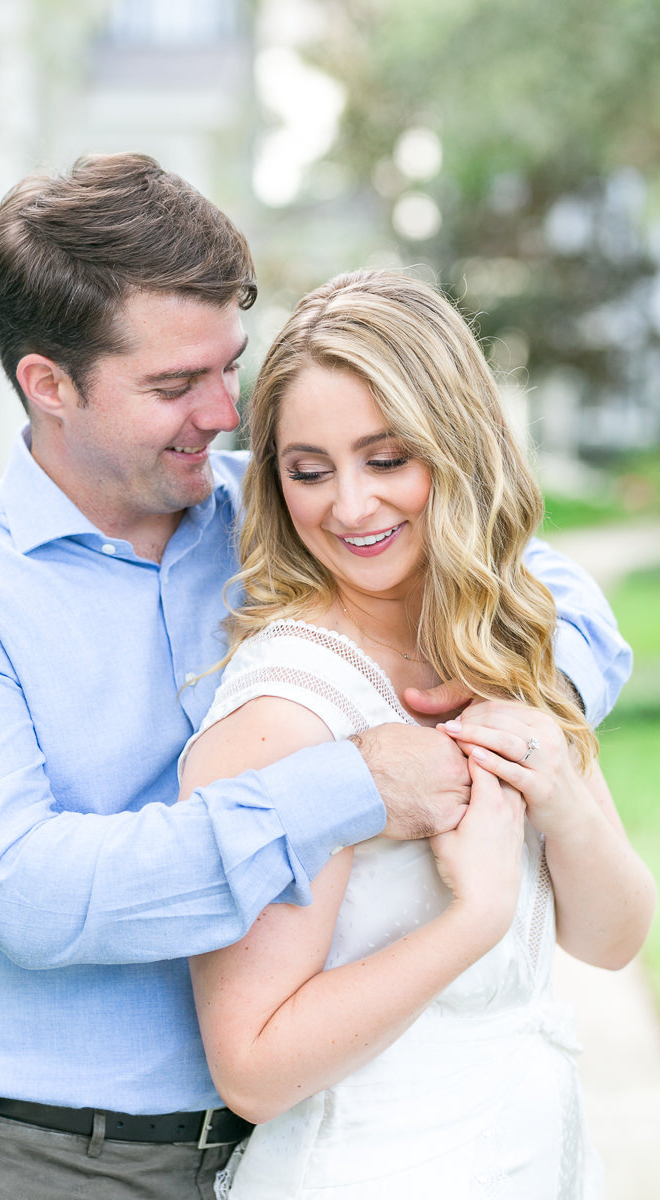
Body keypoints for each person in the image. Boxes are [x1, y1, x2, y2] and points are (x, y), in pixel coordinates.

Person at [0, 156, 631, 1200]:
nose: (224, 412)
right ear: (49, 385)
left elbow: (540, 583)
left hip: (282, 1138)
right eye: (175, 385)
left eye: (230, 366)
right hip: (39, 1156)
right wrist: (352, 787)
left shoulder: (282, 509)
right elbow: (27, 893)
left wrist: (524, 717)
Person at [178, 269, 655, 1199]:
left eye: (387, 459)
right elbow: (253, 1066)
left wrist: (561, 797)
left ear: (460, 445)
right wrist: (472, 920)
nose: (350, 507)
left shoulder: (505, 644)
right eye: (309, 470)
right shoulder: (288, 709)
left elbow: (613, 938)